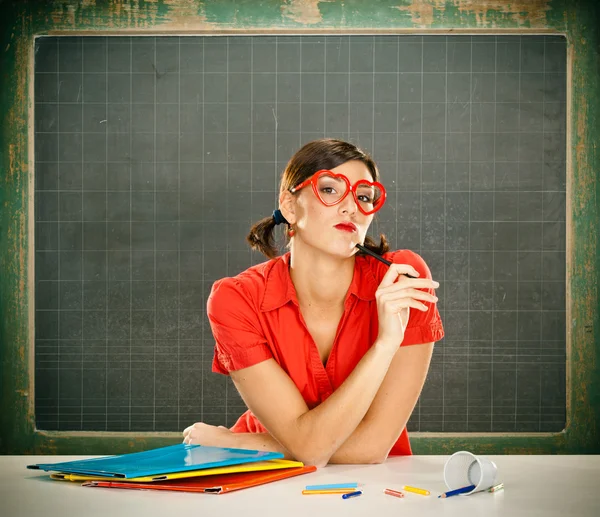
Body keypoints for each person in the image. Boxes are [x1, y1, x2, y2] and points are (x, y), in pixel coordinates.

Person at [183, 138, 444, 467]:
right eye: (331, 190)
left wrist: (237, 444)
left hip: (373, 485)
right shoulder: (236, 299)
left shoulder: (403, 280)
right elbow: (308, 450)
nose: (351, 207)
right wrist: (276, 447)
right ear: (290, 207)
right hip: (263, 478)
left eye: (363, 197)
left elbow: (373, 447)